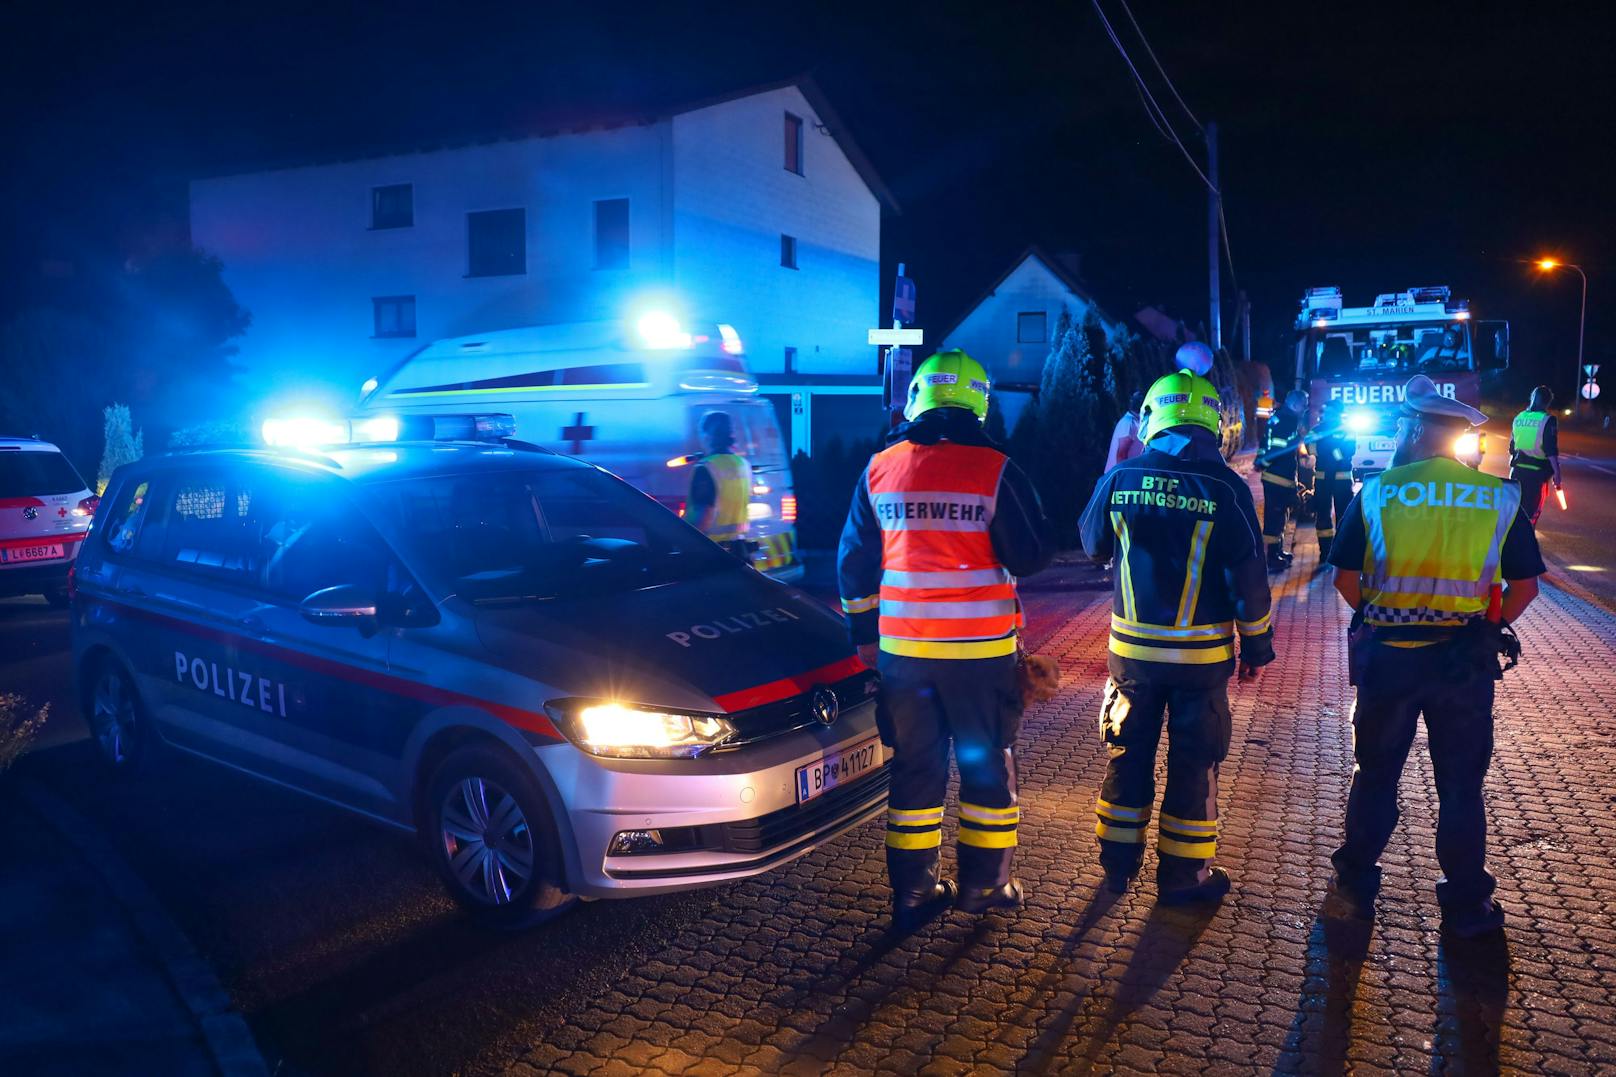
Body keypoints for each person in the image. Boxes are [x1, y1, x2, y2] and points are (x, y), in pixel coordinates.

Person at [838, 349, 1054, 929]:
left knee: (915, 772)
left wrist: (864, 639)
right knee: (986, 770)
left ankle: (912, 895)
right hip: (980, 658)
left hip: (904, 658)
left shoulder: (879, 468)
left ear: (917, 399)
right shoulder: (995, 468)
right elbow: (1031, 556)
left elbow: (853, 569)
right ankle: (985, 887)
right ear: (978, 403)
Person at [1326, 375, 1545, 938]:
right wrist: (1486, 628)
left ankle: (1353, 889)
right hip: (1463, 667)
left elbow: (1345, 578)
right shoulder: (1498, 496)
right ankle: (1468, 907)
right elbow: (1526, 587)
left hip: (1390, 663)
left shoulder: (1377, 492)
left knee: (1374, 777)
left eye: (1403, 424)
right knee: (1460, 787)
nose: (1399, 431)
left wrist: (1381, 616)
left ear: (1419, 429)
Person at [1079, 369, 1276, 903]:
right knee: (1195, 763)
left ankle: (1117, 864)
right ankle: (1185, 880)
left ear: (1152, 418)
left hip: (1133, 660)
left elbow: (1092, 544)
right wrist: (1257, 648)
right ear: (1214, 423)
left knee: (1128, 754)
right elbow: (1250, 581)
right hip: (1201, 661)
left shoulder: (1119, 479)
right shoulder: (1227, 488)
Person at [687, 411, 752, 556]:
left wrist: (683, 538)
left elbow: (704, 517)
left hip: (712, 552)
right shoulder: (743, 464)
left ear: (707, 435)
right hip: (740, 551)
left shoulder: (706, 467)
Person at [1256, 389, 1309, 571]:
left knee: (1281, 517)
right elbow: (1279, 447)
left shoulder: (1279, 417)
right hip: (1277, 477)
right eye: (1303, 405)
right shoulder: (1288, 420)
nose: (1305, 409)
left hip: (1277, 476)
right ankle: (1271, 558)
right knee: (1274, 518)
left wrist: (1261, 461)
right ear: (1294, 404)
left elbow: (1267, 444)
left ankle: (1277, 552)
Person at [1310, 398, 1357, 565]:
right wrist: (1335, 451)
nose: (1326, 414)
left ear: (1337, 413)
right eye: (1325, 411)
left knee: (1344, 516)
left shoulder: (1348, 429)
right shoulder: (1317, 429)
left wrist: (1328, 452)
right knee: (1323, 515)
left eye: (1329, 411)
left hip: (1340, 480)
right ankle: (1325, 553)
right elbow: (1309, 447)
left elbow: (1350, 450)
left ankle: (1342, 552)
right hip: (1324, 479)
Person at [1509, 385, 1562, 524]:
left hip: (1517, 472)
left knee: (1515, 512)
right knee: (1531, 514)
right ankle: (1526, 543)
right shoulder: (1548, 420)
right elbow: (1550, 449)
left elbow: (1512, 447)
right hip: (1536, 474)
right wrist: (1557, 473)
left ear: (1532, 398)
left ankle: (1512, 542)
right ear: (1547, 402)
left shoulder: (1519, 417)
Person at [1105, 391, 1147, 471]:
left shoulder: (1136, 422)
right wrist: (1124, 477)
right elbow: (1121, 454)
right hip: (1117, 477)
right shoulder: (1128, 423)